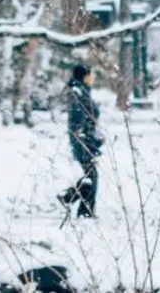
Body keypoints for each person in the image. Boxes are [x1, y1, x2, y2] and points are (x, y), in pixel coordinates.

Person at [59, 64, 101, 219]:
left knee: (91, 175)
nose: (93, 78)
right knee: (92, 175)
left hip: (86, 139)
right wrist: (81, 135)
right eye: (90, 75)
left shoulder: (82, 91)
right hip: (82, 140)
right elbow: (78, 117)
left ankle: (72, 199)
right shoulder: (78, 93)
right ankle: (81, 208)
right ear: (84, 76)